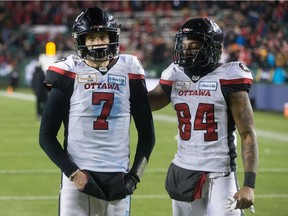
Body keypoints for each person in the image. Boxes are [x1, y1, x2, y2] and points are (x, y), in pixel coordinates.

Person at [39, 7, 155, 216]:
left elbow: (147, 135)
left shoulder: (130, 69)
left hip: (117, 176)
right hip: (78, 177)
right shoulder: (68, 72)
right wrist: (73, 173)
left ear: (113, 37)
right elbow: (46, 135)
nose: (99, 42)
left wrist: (135, 176)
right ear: (81, 41)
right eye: (91, 38)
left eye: (103, 36)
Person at [148, 18, 258, 216]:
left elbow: (248, 134)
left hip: (220, 173)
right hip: (183, 169)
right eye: (184, 45)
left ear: (213, 48)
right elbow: (145, 104)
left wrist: (249, 184)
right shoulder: (175, 75)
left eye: (194, 46)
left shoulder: (229, 78)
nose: (187, 51)